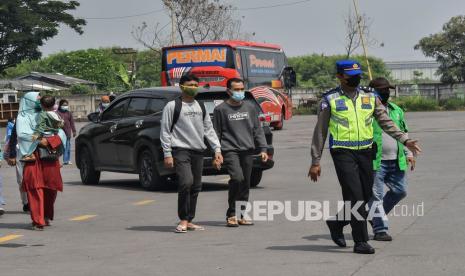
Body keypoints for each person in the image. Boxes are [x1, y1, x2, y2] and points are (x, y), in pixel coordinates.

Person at [308, 60, 422, 254]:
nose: (355, 79)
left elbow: (385, 121)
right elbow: (320, 132)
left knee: (366, 196)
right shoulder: (330, 99)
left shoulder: (370, 96)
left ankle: (336, 223)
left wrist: (405, 140)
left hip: (366, 152)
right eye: (350, 75)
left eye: (357, 75)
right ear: (339, 76)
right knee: (355, 196)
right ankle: (361, 241)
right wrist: (315, 161)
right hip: (342, 152)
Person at [160, 74, 223, 233]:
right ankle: (182, 219)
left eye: (196, 84)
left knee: (196, 186)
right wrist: (167, 153)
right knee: (186, 182)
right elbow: (165, 131)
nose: (194, 87)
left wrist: (217, 149)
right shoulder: (172, 106)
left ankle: (189, 220)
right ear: (181, 86)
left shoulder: (200, 106)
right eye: (190, 84)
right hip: (180, 150)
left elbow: (209, 129)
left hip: (198, 150)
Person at [212, 78, 268, 227]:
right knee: (237, 178)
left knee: (245, 183)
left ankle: (242, 214)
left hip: (247, 150)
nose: (239, 92)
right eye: (236, 89)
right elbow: (215, 133)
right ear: (228, 91)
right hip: (230, 150)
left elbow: (257, 130)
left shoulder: (250, 107)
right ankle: (231, 214)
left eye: (241, 89)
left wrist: (263, 149)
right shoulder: (220, 110)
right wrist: (216, 153)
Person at [368, 77, 415, 241]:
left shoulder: (396, 110)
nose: (386, 92)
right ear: (372, 92)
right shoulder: (367, 110)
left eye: (387, 89)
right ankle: (380, 229)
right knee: (376, 196)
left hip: (396, 159)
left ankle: (374, 217)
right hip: (376, 161)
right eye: (382, 90)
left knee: (400, 191)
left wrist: (409, 153)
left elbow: (404, 132)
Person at [16, 91, 66, 230]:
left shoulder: (48, 113)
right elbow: (22, 134)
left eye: (40, 99)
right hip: (32, 155)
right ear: (29, 101)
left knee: (51, 187)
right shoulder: (22, 117)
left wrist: (52, 140)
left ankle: (46, 215)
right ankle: (38, 220)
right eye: (37, 98)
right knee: (34, 187)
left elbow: (60, 130)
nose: (39, 100)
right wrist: (39, 140)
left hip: (49, 153)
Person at [20, 96, 64, 162]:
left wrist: (36, 134)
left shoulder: (43, 114)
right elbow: (60, 124)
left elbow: (41, 126)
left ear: (42, 105)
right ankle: (54, 153)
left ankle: (30, 155)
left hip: (45, 134)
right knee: (52, 147)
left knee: (33, 142)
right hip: (53, 134)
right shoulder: (56, 114)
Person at [5, 123, 29, 212]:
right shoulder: (20, 119)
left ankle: (36, 202)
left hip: (35, 151)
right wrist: (12, 155)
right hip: (20, 152)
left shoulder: (39, 114)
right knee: (21, 180)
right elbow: (13, 137)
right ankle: (26, 202)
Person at [57, 99, 76, 165]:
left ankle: (66, 160)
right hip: (60, 133)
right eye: (64, 105)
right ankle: (57, 160)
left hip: (67, 132)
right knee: (60, 147)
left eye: (66, 105)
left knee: (67, 147)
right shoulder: (57, 113)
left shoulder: (69, 113)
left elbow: (72, 123)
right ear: (60, 105)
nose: (65, 106)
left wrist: (74, 131)